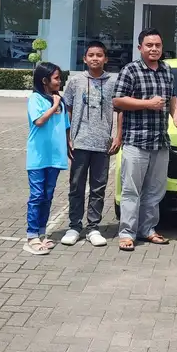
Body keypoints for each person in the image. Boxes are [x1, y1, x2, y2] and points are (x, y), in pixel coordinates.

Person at [113, 28, 177, 252]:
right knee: (131, 190)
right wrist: (147, 104)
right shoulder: (130, 70)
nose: (154, 49)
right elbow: (117, 101)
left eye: (158, 45)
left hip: (160, 141)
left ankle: (148, 229)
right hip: (136, 141)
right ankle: (127, 233)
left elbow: (172, 96)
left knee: (155, 191)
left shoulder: (167, 70)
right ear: (140, 48)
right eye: (149, 45)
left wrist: (175, 115)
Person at [61, 40, 122, 248]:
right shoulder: (75, 81)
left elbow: (120, 110)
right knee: (76, 186)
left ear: (106, 59)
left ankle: (93, 228)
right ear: (84, 59)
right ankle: (74, 226)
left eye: (99, 55)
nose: (95, 58)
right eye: (91, 55)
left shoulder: (113, 82)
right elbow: (68, 109)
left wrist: (118, 136)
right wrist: (67, 136)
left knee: (98, 187)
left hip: (103, 144)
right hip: (79, 142)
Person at [24, 61, 70, 256]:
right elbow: (40, 121)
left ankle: (42, 233)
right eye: (56, 78)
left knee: (48, 196)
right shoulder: (35, 99)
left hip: (55, 157)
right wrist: (54, 105)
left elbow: (66, 126)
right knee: (37, 196)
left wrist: (69, 145)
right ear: (44, 80)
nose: (60, 81)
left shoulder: (61, 101)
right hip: (38, 157)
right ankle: (31, 236)